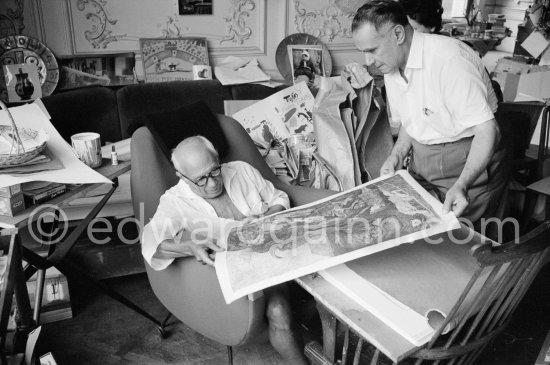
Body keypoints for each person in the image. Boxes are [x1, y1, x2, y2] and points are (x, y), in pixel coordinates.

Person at [141, 136, 308, 365]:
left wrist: (268, 216)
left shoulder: (242, 170)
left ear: (217, 158)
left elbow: (278, 197)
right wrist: (188, 246)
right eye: (201, 179)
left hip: (286, 250)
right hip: (252, 274)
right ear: (182, 177)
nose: (212, 184)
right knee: (278, 309)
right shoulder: (175, 202)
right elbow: (150, 241)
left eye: (214, 171)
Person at [350, 0, 507, 225]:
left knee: (465, 242)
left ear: (398, 34)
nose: (368, 61)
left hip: (468, 160)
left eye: (372, 50)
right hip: (424, 162)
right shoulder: (391, 64)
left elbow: (488, 130)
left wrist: (462, 184)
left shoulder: (449, 59)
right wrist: (397, 154)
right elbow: (411, 119)